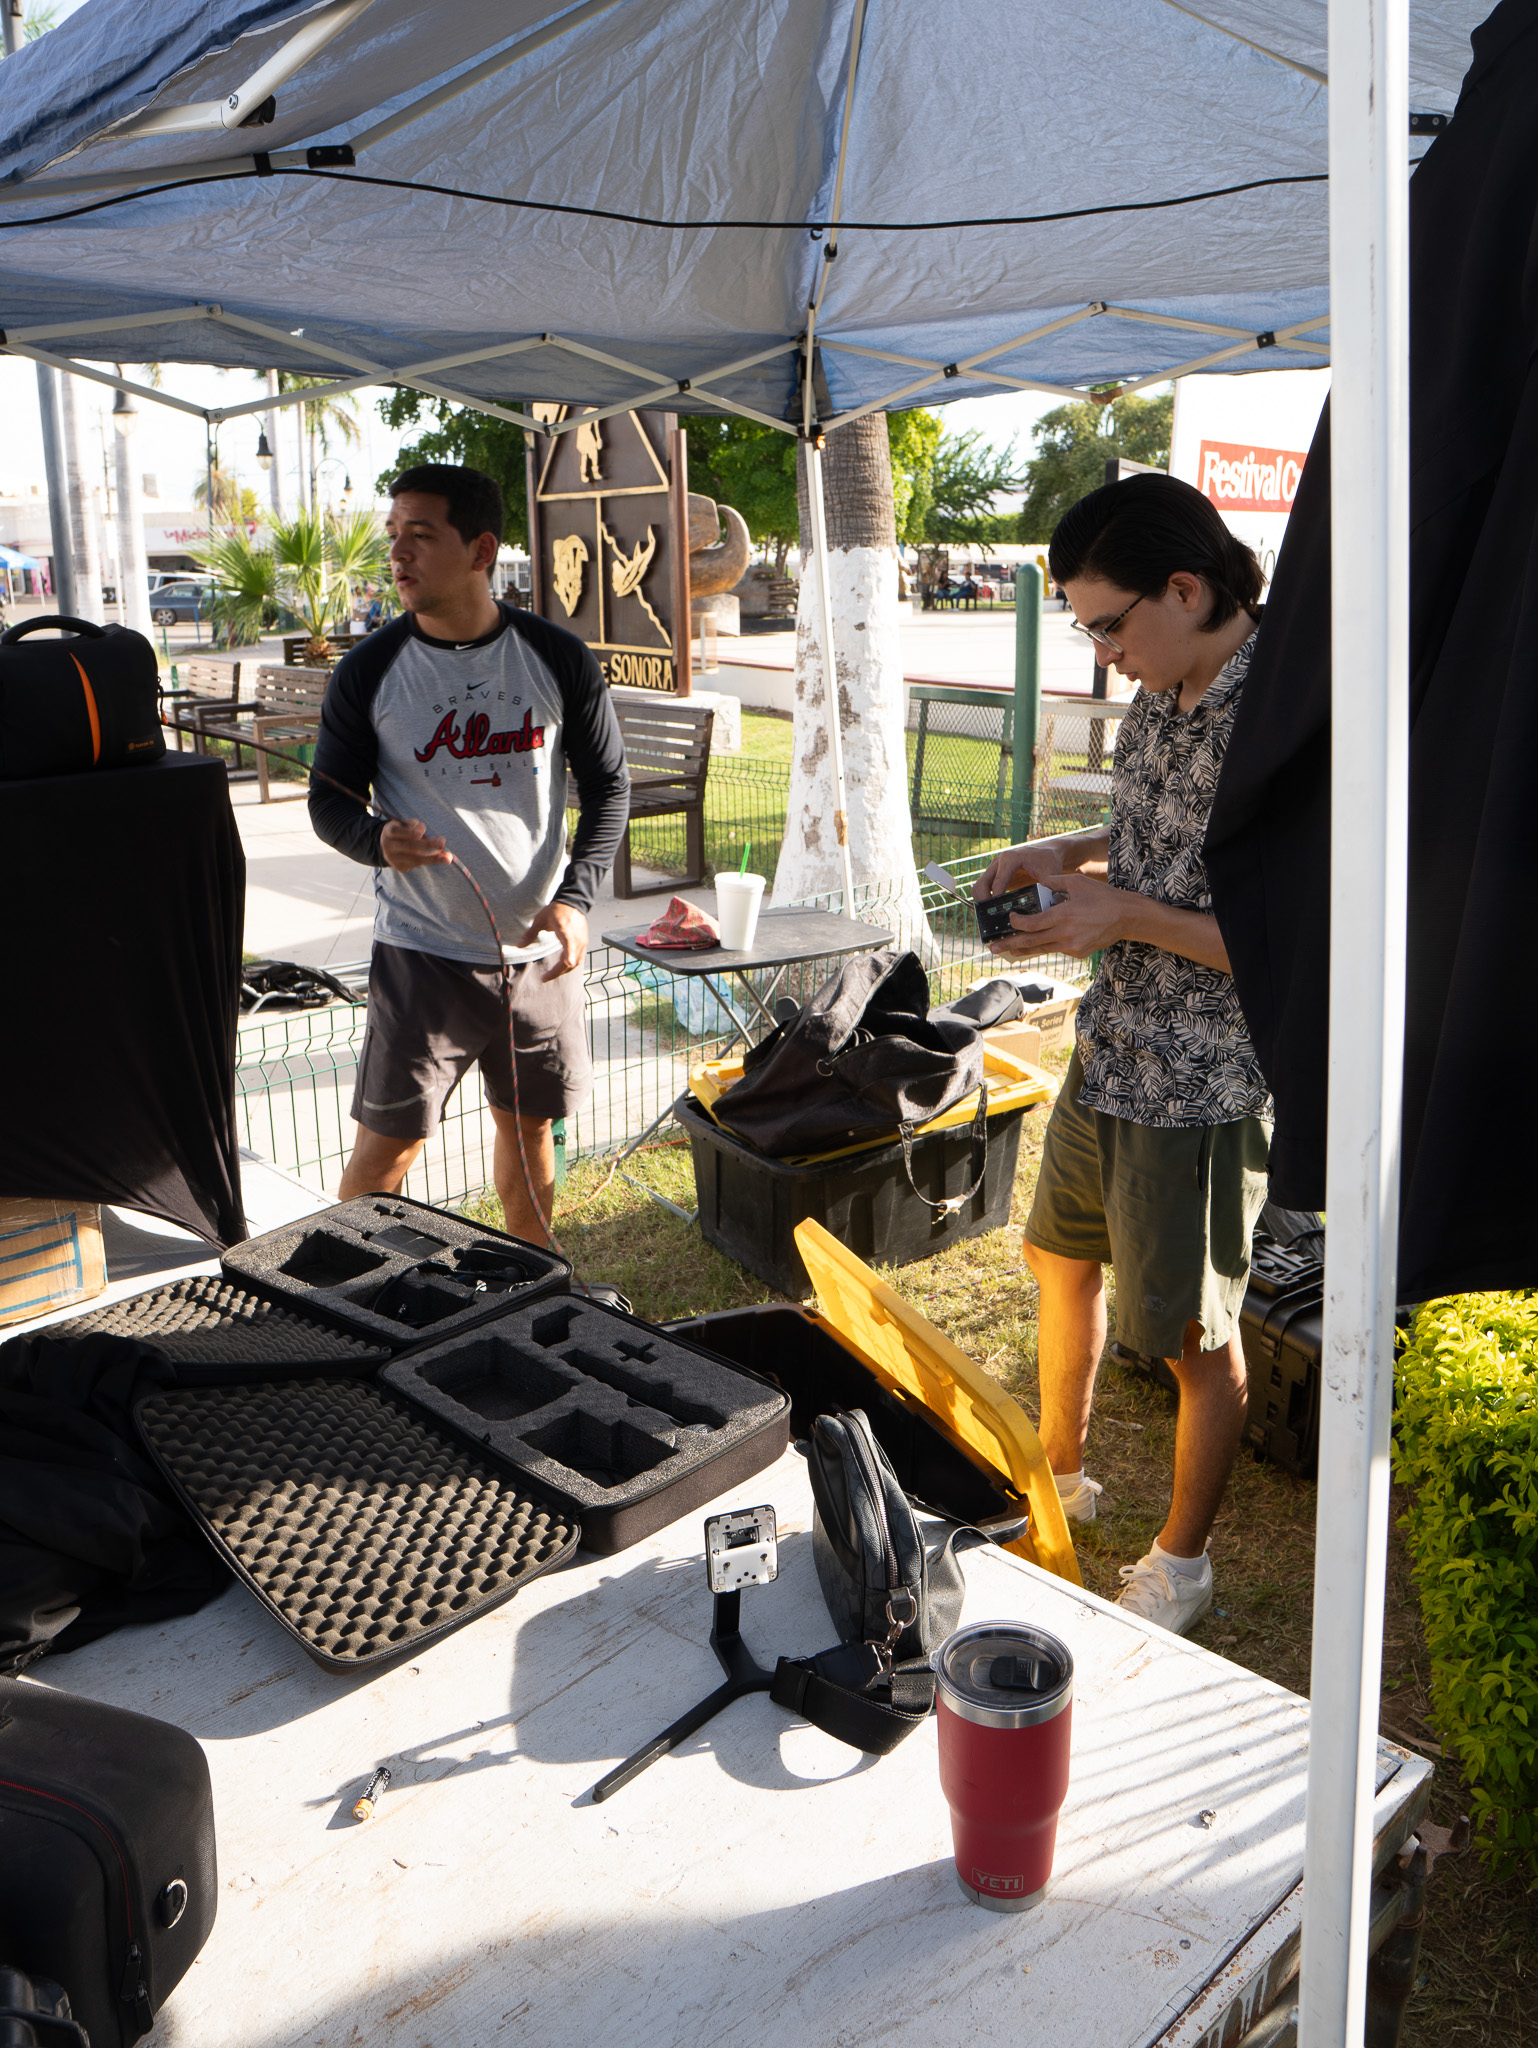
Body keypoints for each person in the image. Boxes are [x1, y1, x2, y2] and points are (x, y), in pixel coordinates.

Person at [974, 472, 1271, 1635]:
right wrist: (1066, 844)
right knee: (1058, 1258)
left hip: (1198, 1078)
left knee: (1196, 1338)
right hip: (1110, 1045)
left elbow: (1298, 940)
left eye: (1106, 623)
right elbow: (1159, 835)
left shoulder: (1290, 711)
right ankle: (1059, 1465)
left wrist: (1118, 914)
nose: (1100, 652)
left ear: (1184, 587)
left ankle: (1181, 1564)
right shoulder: (1165, 683)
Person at [309, 463, 629, 1244]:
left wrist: (577, 899)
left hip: (537, 958)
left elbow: (610, 787)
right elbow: (330, 804)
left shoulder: (555, 658)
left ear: (481, 549)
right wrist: (376, 841)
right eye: (394, 537)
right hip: (423, 958)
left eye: (421, 536)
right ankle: (338, 1293)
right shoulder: (368, 672)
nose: (398, 555)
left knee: (528, 1135)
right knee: (390, 1153)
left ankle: (532, 1285)